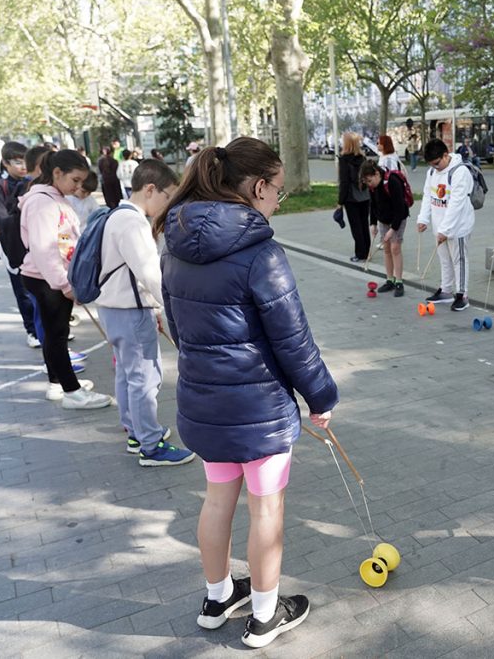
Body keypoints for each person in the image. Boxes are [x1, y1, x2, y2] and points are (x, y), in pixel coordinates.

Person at [156, 137, 338, 648]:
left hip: (203, 401)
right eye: (279, 190)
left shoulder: (174, 244)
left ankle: (217, 598)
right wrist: (321, 397)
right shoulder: (261, 253)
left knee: (217, 501)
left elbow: (179, 328)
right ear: (258, 187)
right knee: (266, 510)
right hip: (259, 409)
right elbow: (293, 340)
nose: (279, 199)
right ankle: (264, 614)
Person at [97, 159, 193, 467]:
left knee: (128, 374)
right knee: (145, 377)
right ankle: (151, 445)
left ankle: (136, 432)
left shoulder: (116, 215)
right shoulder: (133, 223)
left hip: (113, 309)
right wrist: (172, 308)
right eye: (167, 196)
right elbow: (151, 274)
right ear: (150, 189)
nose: (168, 204)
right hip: (131, 311)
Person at [19, 149, 112, 409]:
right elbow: (44, 249)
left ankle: (59, 383)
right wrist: (64, 284)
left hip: (52, 277)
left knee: (56, 334)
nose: (78, 186)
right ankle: (71, 391)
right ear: (57, 173)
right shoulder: (42, 202)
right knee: (56, 335)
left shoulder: (54, 197)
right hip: (47, 279)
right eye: (75, 180)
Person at [0, 141, 41, 348]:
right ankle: (32, 330)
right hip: (13, 244)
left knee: (41, 289)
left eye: (25, 161)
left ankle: (47, 329)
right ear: (5, 163)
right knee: (23, 288)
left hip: (33, 243)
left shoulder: (31, 182)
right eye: (17, 162)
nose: (22, 166)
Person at [417, 138, 475, 311]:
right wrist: (423, 218)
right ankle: (446, 290)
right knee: (444, 259)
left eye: (437, 163)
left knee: (459, 260)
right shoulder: (432, 172)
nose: (435, 167)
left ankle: (462, 295)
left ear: (445, 155)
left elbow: (456, 203)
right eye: (431, 164)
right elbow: (428, 195)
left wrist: (445, 230)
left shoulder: (460, 171)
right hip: (439, 225)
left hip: (458, 227)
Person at [360, 161, 408, 297]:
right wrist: (373, 223)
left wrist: (393, 229)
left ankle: (399, 281)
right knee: (386, 249)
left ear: (376, 174)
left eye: (370, 181)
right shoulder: (372, 187)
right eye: (366, 182)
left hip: (398, 218)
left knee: (395, 248)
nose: (369, 185)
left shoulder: (392, 181)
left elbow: (400, 208)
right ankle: (389, 279)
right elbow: (373, 205)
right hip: (383, 219)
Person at [337, 132, 371, 262]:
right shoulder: (362, 158)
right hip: (365, 195)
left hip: (351, 197)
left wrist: (340, 202)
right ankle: (367, 251)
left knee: (356, 226)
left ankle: (360, 253)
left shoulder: (344, 160)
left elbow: (344, 182)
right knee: (364, 224)